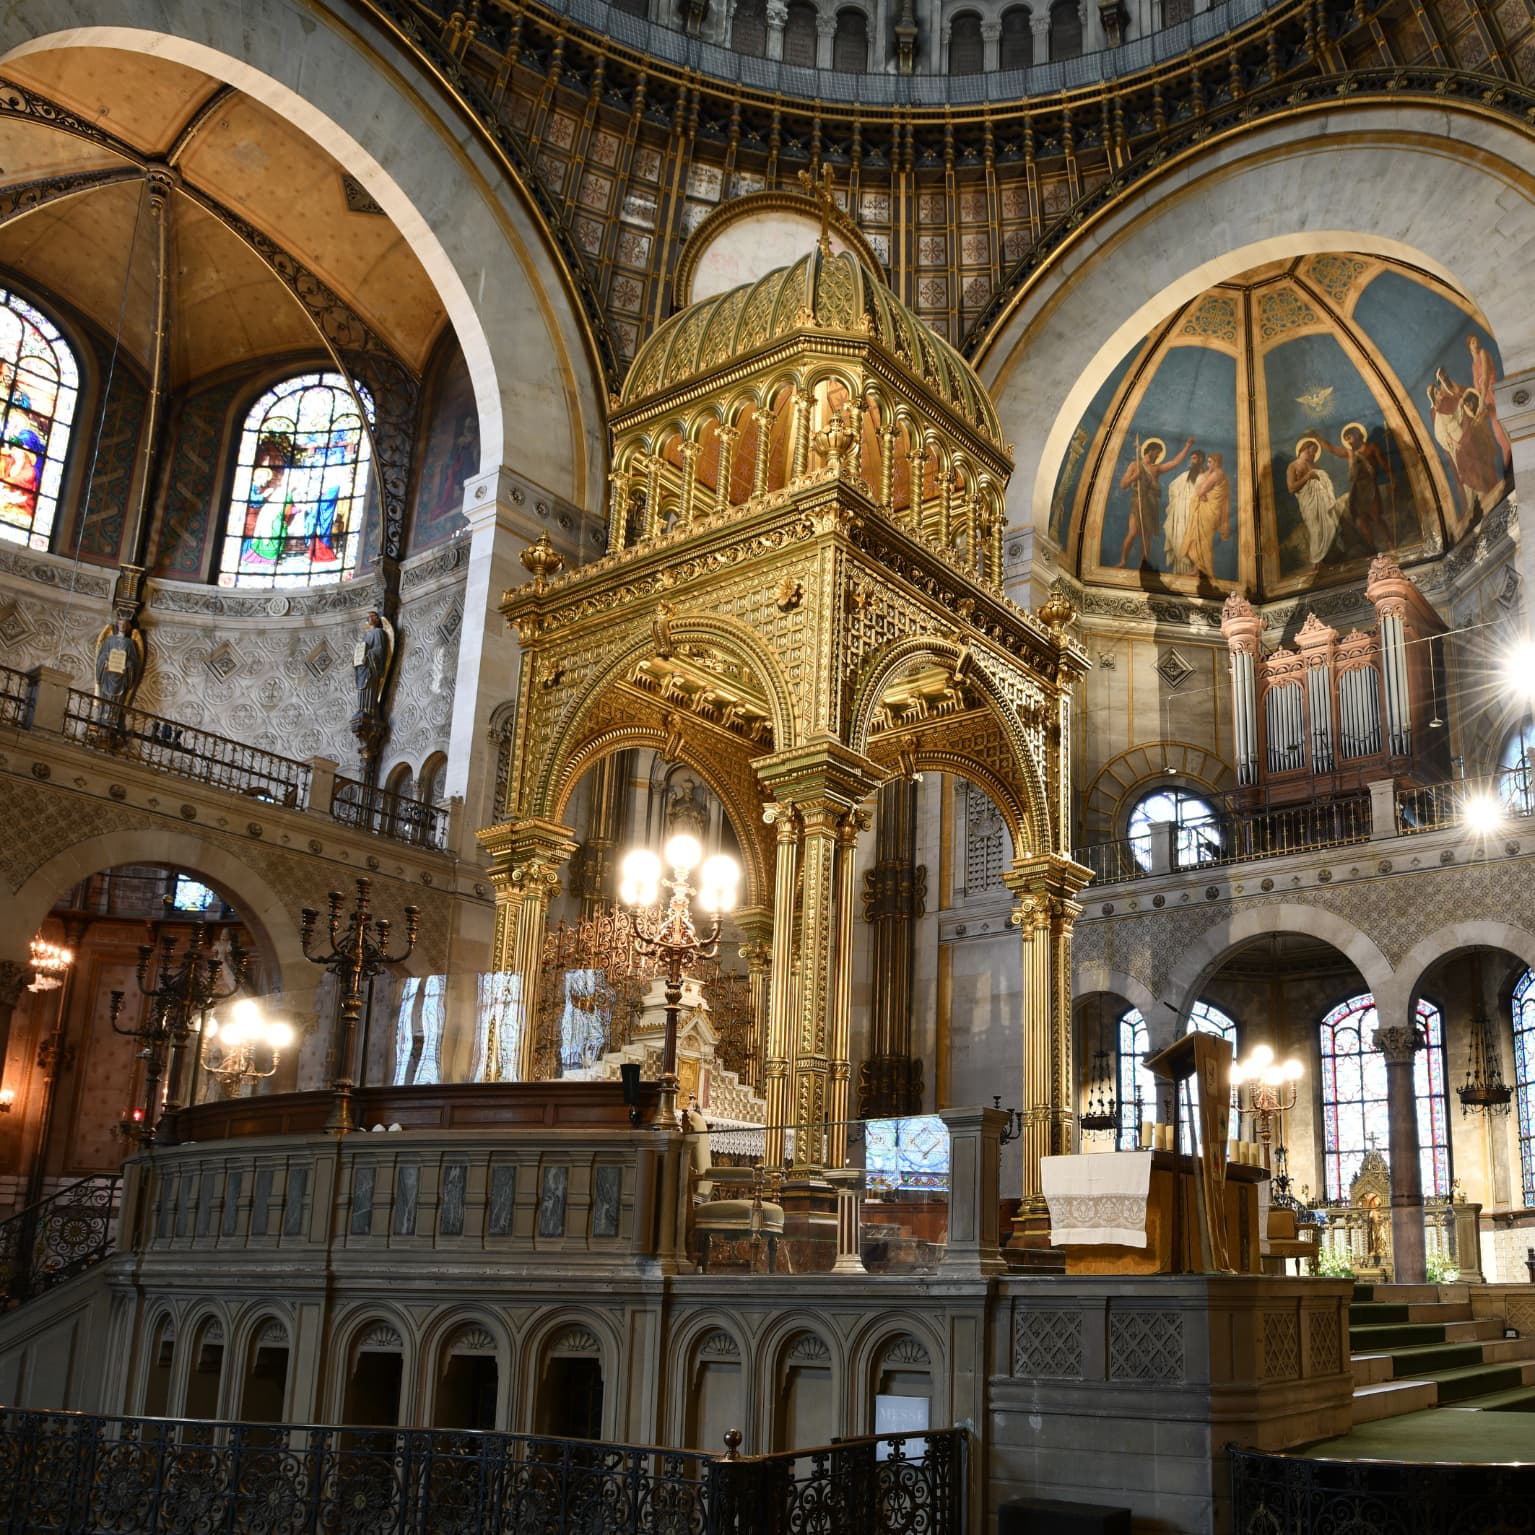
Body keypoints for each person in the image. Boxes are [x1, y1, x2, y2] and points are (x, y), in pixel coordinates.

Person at [1117, 435, 1195, 567]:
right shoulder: (1134, 465)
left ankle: (1143, 565)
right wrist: (1134, 477)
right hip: (1138, 501)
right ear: (1151, 451)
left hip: (1151, 504)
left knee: (1146, 537)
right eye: (1158, 453)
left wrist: (1187, 446)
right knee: (1132, 532)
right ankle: (1123, 561)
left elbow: (1175, 462)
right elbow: (1123, 484)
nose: (1158, 456)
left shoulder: (1156, 468)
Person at [1318, 424, 1394, 553]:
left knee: (1376, 517)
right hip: (1357, 490)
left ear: (1358, 434)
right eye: (1346, 438)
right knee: (1363, 520)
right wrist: (1318, 438)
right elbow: (1331, 449)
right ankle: (1372, 549)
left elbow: (1383, 464)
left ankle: (1390, 542)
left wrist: (1392, 479)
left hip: (1370, 488)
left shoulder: (1371, 448)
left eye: (1350, 436)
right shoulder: (1350, 453)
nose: (1348, 440)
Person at [1287, 438, 1347, 566]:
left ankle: (1330, 558)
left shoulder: (1315, 466)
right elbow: (1291, 488)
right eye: (1311, 451)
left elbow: (1324, 483)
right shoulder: (1293, 466)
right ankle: (1317, 561)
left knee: (1331, 525)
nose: (1313, 455)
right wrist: (1307, 477)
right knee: (1316, 530)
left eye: (1314, 452)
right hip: (1309, 504)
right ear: (1304, 449)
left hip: (1324, 502)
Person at [1182, 452, 1231, 582]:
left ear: (1216, 462)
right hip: (1212, 511)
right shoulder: (1224, 475)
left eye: (1210, 462)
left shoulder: (1216, 475)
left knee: (1204, 542)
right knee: (1201, 541)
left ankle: (1207, 571)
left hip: (1207, 511)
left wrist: (1202, 491)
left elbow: (1200, 491)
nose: (1208, 465)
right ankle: (1197, 570)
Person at [1467, 334, 1511, 472]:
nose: (1476, 344)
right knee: (1498, 434)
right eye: (1473, 342)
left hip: (1493, 393)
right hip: (1487, 401)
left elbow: (1485, 379)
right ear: (1469, 346)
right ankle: (1510, 465)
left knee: (1506, 428)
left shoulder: (1483, 353)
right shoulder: (1473, 366)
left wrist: (1481, 403)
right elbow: (1477, 389)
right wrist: (1477, 406)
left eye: (1476, 341)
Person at [1163, 447, 1205, 577]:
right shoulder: (1184, 476)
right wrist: (1178, 501)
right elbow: (1172, 487)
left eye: (1194, 458)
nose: (1192, 461)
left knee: (1195, 541)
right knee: (1180, 538)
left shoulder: (1205, 477)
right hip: (1181, 514)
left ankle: (1195, 570)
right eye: (1191, 458)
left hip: (1195, 513)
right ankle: (1183, 571)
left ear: (1200, 460)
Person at [94, 615, 144, 719]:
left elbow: (134, 662)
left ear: (128, 626)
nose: (122, 626)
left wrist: (127, 666)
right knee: (105, 698)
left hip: (121, 677)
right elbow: (101, 656)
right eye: (120, 624)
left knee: (117, 701)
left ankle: (113, 718)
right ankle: (101, 716)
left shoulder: (130, 643)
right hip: (108, 675)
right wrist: (105, 661)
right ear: (117, 624)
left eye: (125, 624)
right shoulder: (109, 640)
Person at [353, 610, 391, 717]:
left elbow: (380, 650)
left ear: (377, 619)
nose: (369, 618)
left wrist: (368, 655)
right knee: (361, 687)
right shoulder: (367, 636)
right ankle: (361, 708)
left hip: (371, 666)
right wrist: (357, 659)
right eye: (368, 617)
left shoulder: (378, 632)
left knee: (369, 686)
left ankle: (369, 710)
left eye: (372, 616)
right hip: (362, 667)